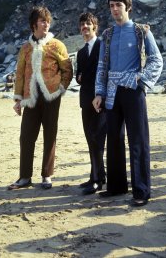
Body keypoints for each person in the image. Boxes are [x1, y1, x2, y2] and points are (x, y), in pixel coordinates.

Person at [92, 0, 163, 207]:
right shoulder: (107, 35)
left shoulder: (142, 31)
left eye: (118, 5)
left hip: (133, 91)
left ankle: (141, 191)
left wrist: (140, 80)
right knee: (113, 139)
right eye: (112, 5)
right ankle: (116, 187)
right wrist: (99, 92)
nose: (115, 9)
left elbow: (156, 59)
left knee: (138, 140)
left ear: (128, 7)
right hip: (112, 91)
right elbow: (102, 66)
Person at [8, 6, 73, 190]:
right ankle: (24, 177)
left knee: (50, 135)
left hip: (52, 97)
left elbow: (67, 69)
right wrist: (18, 99)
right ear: (33, 24)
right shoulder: (26, 48)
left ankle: (47, 175)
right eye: (43, 20)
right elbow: (20, 73)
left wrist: (60, 88)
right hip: (31, 98)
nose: (46, 24)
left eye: (48, 21)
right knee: (26, 136)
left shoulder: (57, 45)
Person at [76, 13, 107, 195]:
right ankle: (96, 175)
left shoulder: (102, 46)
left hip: (99, 100)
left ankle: (97, 180)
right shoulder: (80, 52)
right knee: (90, 140)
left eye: (88, 24)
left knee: (98, 139)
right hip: (85, 100)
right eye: (82, 24)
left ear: (95, 26)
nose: (85, 27)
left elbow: (102, 72)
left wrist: (84, 77)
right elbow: (79, 76)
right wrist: (80, 77)